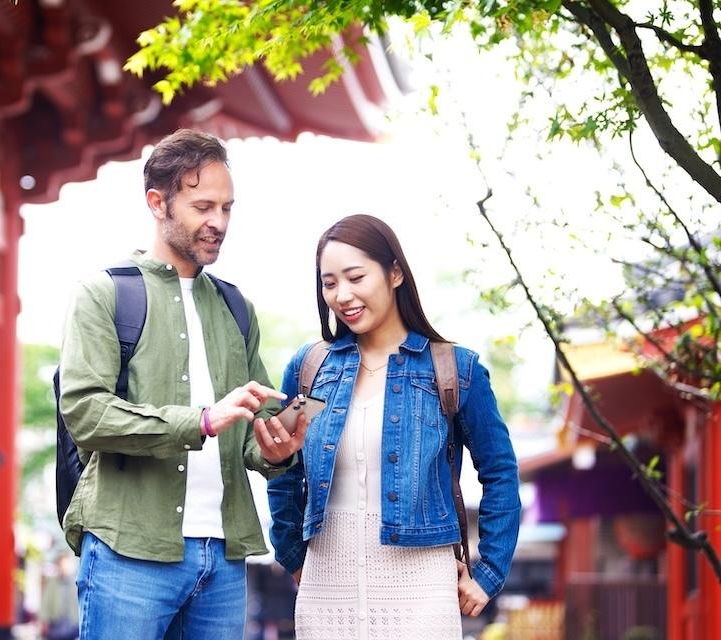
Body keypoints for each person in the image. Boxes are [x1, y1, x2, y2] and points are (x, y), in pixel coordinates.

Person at [58, 129, 307, 640]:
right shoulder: (104, 294)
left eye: (227, 208)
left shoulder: (237, 308)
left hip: (225, 555)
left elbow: (253, 435)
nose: (218, 222)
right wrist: (199, 421)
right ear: (157, 203)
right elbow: (85, 413)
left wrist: (279, 448)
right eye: (202, 206)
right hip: (129, 552)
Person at [268, 214, 521, 639]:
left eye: (355, 277)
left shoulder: (453, 370)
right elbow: (283, 462)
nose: (342, 295)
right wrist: (293, 553)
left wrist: (489, 571)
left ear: (395, 273)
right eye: (329, 283)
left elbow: (500, 473)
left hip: (422, 588)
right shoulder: (312, 370)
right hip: (326, 586)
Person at [39, 553, 80, 640]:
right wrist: (44, 620)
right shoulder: (52, 583)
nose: (63, 567)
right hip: (56, 624)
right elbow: (46, 602)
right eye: (61, 564)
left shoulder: (76, 583)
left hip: (73, 625)